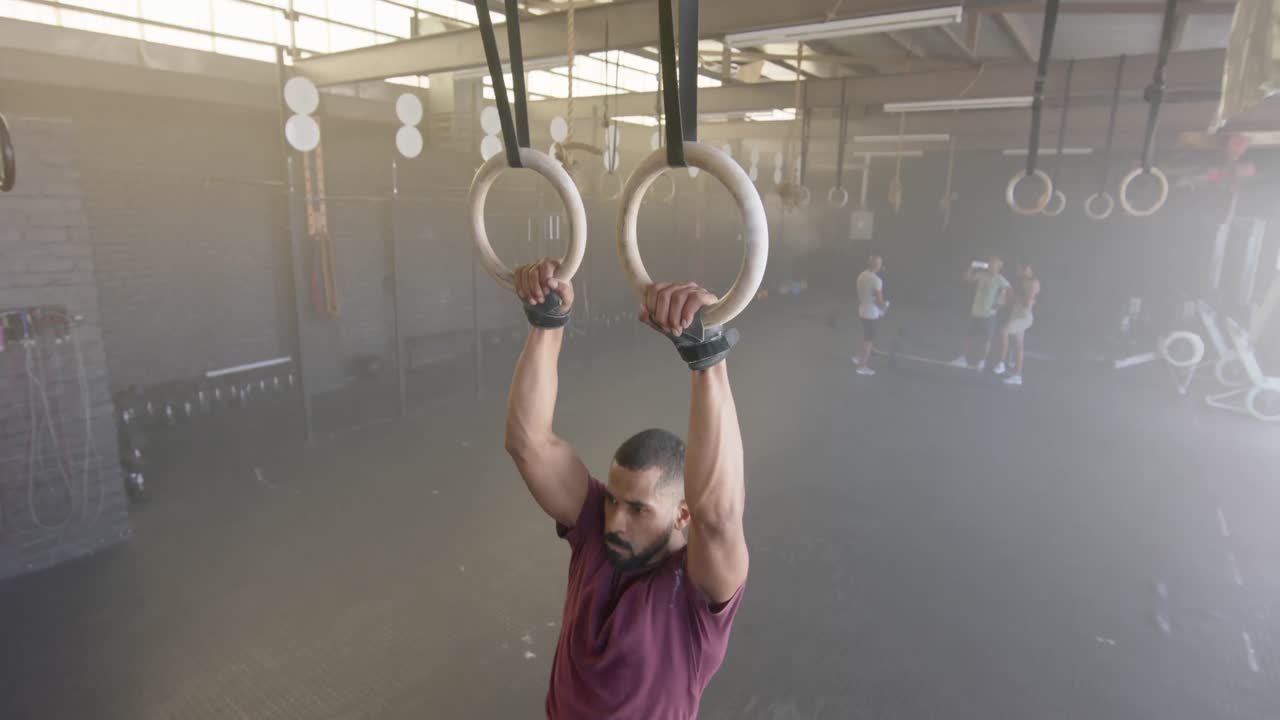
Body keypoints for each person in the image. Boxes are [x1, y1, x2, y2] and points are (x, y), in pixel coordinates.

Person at [503, 259, 749, 720]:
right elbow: (528, 443)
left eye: (638, 509)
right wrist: (546, 320)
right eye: (614, 499)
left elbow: (717, 518)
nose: (614, 520)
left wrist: (707, 359)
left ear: (681, 515)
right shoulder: (596, 531)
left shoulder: (696, 592)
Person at [952, 254, 1011, 371]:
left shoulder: (1001, 280)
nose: (991, 264)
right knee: (969, 336)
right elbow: (967, 279)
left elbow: (1009, 292)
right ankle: (963, 358)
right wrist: (970, 268)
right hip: (976, 311)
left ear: (999, 266)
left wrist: (1000, 304)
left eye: (994, 262)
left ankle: (982, 361)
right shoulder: (982, 274)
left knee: (986, 339)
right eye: (990, 262)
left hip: (989, 314)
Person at [997, 261, 1041, 385]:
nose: (1017, 273)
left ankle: (1001, 363)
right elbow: (1015, 301)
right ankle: (1017, 376)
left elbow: (1027, 302)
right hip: (1017, 315)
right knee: (1018, 346)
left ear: (1026, 269)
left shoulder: (1032, 282)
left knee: (1004, 331)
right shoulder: (1023, 282)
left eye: (1019, 270)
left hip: (1023, 317)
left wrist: (1015, 296)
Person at [853, 251, 888, 376]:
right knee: (869, 339)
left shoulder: (862, 275)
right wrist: (884, 307)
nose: (881, 265)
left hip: (862, 310)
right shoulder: (877, 280)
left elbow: (865, 294)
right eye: (880, 263)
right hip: (871, 314)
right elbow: (879, 299)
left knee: (866, 336)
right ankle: (862, 367)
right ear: (877, 265)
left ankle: (858, 356)